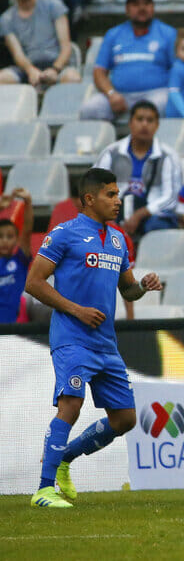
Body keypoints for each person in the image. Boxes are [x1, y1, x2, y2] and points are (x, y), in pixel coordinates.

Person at [25, 167, 162, 509]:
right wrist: (76, 310)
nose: (118, 201)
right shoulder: (64, 234)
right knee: (70, 405)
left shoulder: (117, 239)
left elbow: (126, 291)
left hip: (105, 343)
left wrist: (142, 286)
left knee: (125, 419)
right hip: (71, 338)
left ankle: (65, 459)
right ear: (90, 198)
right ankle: (43, 489)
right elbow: (34, 283)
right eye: (111, 195)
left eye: (118, 195)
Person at [79, 0, 177, 121]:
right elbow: (99, 72)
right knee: (89, 109)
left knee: (160, 105)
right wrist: (111, 94)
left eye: (146, 4)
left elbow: (178, 70)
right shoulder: (113, 34)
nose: (142, 8)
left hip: (156, 94)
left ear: (153, 7)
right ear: (127, 10)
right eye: (136, 4)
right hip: (120, 95)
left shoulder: (168, 33)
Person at [95, 100, 183, 240]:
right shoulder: (111, 153)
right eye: (140, 119)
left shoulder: (168, 156)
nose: (144, 125)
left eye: (150, 120)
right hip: (115, 211)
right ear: (130, 123)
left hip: (153, 216)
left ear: (157, 125)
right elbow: (95, 187)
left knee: (156, 227)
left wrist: (140, 214)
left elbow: (171, 198)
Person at [0, 0, 80, 86]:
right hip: (27, 68)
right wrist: (31, 71)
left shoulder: (54, 6)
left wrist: (55, 69)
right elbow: (17, 54)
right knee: (2, 78)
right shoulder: (6, 18)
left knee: (72, 78)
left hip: (57, 65)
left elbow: (66, 46)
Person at [0, 188, 33, 324]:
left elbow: (27, 230)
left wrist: (28, 203)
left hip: (18, 327)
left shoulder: (20, 260)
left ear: (16, 240)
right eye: (0, 237)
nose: (5, 241)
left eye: (10, 236)